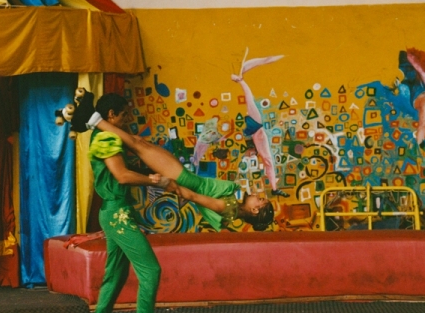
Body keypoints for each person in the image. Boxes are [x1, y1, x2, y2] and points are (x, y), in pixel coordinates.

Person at [74, 92, 274, 232]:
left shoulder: (229, 208)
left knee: (138, 145)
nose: (259, 195)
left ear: (254, 210)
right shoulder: (234, 204)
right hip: (186, 178)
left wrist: (172, 187)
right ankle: (88, 122)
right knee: (140, 144)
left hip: (183, 179)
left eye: (261, 200)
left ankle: (93, 120)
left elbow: (193, 197)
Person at [81, 94, 169, 313]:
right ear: (111, 115)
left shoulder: (108, 137)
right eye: (124, 115)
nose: (127, 119)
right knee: (151, 270)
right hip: (117, 212)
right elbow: (121, 175)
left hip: (116, 211)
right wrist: (151, 179)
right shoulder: (107, 138)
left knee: (116, 273)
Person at [231, 50, 284, 194]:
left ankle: (240, 79)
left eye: (250, 155)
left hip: (254, 127)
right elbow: (267, 162)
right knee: (268, 161)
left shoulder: (256, 144)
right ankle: (240, 79)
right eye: (251, 155)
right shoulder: (258, 146)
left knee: (249, 98)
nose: (250, 155)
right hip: (254, 127)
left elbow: (267, 163)